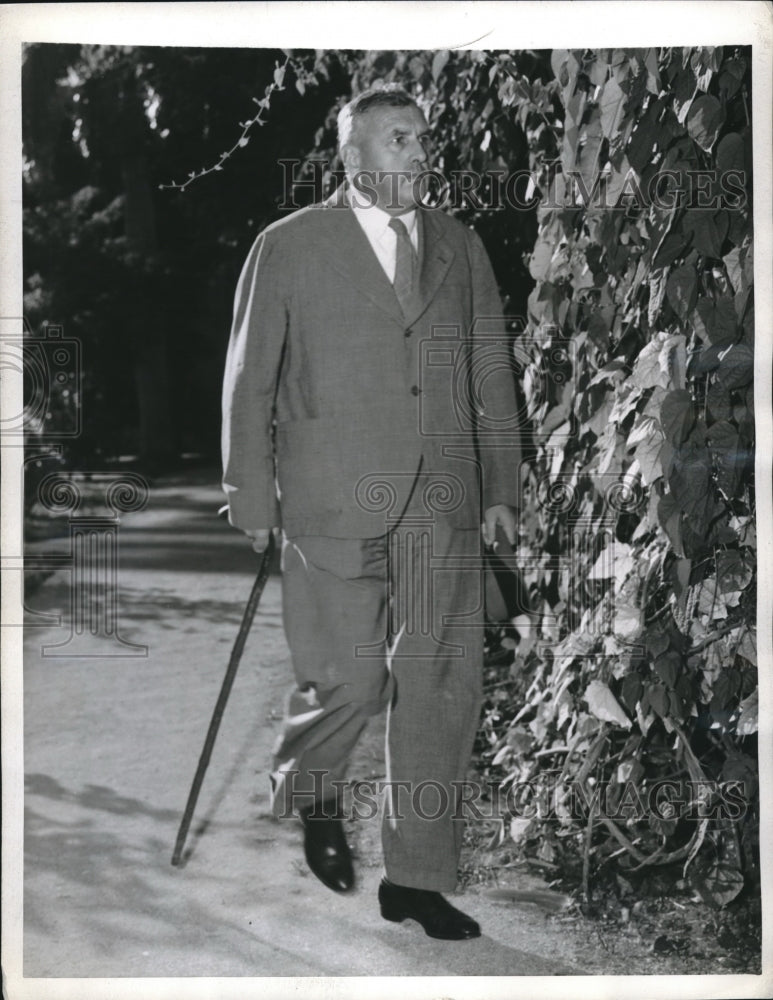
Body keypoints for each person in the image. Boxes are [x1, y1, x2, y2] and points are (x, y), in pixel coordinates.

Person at [221, 86, 521, 940]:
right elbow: (251, 379)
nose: (421, 155)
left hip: (444, 496)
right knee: (348, 681)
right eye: (400, 140)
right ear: (350, 154)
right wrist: (250, 493)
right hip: (330, 492)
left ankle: (417, 881)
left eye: (424, 140)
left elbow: (490, 373)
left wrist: (501, 487)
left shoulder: (458, 248)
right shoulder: (290, 245)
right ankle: (316, 793)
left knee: (440, 687)